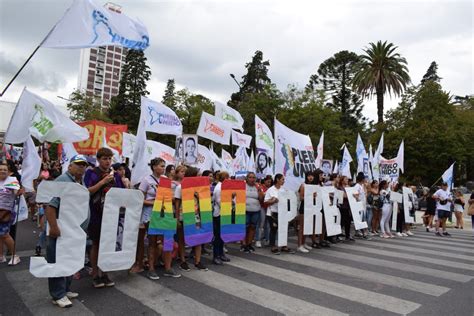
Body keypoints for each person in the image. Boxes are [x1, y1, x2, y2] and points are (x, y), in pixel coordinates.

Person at [44, 155, 89, 308]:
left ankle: (65, 289)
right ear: (70, 166)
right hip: (60, 229)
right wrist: (54, 227)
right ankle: (57, 295)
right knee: (57, 260)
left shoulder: (78, 182)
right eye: (78, 164)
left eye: (84, 165)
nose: (81, 167)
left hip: (72, 230)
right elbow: (50, 206)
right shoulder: (63, 180)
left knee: (69, 259)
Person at [85, 147, 124, 288]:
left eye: (109, 158)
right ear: (98, 159)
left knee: (108, 244)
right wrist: (102, 182)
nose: (108, 161)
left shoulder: (116, 175)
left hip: (112, 214)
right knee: (96, 243)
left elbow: (121, 194)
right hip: (96, 214)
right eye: (104, 159)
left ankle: (105, 272)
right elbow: (87, 191)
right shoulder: (91, 173)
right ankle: (95, 274)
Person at [136, 158, 181, 279]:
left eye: (164, 166)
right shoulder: (146, 180)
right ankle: (151, 268)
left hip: (165, 214)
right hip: (150, 214)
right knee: (152, 242)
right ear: (154, 167)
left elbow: (169, 197)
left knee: (168, 240)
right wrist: (155, 203)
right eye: (161, 166)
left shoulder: (166, 180)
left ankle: (168, 267)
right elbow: (139, 199)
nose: (163, 168)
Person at [173, 166, 208, 271]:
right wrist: (177, 219)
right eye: (198, 175)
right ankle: (183, 261)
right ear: (192, 175)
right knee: (182, 239)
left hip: (196, 216)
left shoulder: (200, 188)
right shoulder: (180, 187)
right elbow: (177, 204)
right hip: (184, 216)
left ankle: (198, 261)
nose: (200, 177)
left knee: (198, 238)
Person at [264, 173, 295, 255]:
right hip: (272, 213)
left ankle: (283, 246)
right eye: (282, 179)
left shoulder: (284, 189)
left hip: (282, 213)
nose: (283, 181)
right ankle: (273, 246)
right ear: (277, 179)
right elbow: (266, 201)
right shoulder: (271, 190)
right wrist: (273, 200)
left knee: (284, 229)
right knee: (274, 229)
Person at [0, 162, 21, 266]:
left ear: (8, 171)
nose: (3, 171)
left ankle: (14, 256)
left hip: (5, 212)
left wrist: (19, 192)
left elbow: (16, 192)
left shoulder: (12, 180)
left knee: (4, 234)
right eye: (1, 169)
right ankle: (1, 256)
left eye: (5, 169)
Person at [212, 171, 232, 264]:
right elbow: (220, 202)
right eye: (228, 178)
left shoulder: (223, 187)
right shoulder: (219, 188)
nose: (229, 179)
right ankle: (216, 256)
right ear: (224, 178)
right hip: (219, 214)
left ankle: (221, 254)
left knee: (222, 236)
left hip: (224, 213)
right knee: (218, 237)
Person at [296, 172, 316, 253]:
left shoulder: (312, 186)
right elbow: (301, 198)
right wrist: (311, 196)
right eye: (309, 176)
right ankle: (299, 245)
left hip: (310, 207)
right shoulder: (303, 185)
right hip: (303, 207)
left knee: (307, 227)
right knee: (302, 227)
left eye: (312, 176)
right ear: (306, 177)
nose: (311, 177)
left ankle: (303, 243)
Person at [242, 172, 262, 253]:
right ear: (246, 178)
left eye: (253, 177)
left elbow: (261, 199)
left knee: (253, 227)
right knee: (245, 227)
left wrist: (260, 190)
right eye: (250, 177)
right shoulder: (243, 186)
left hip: (256, 210)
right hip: (245, 210)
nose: (252, 179)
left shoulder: (257, 186)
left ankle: (249, 244)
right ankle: (243, 244)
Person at [353, 172, 371, 240]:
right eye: (364, 179)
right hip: (359, 205)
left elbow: (365, 195)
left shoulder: (362, 186)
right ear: (362, 179)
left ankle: (357, 232)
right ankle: (364, 233)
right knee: (361, 219)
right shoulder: (357, 186)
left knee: (361, 219)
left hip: (363, 205)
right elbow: (355, 195)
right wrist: (358, 200)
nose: (365, 180)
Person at [337, 176, 354, 242]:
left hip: (348, 206)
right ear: (342, 180)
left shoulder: (348, 187)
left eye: (347, 179)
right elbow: (344, 196)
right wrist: (350, 194)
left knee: (348, 222)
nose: (347, 180)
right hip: (342, 206)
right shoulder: (340, 188)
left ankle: (347, 236)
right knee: (342, 221)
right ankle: (338, 236)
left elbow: (354, 194)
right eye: (346, 179)